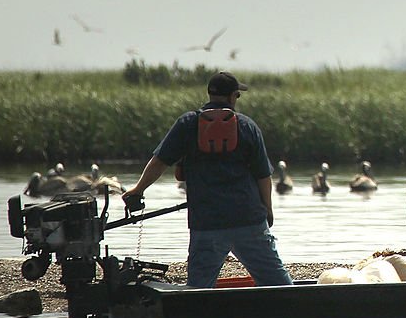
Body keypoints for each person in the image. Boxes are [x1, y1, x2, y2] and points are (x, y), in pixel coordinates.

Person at [122, 71, 293, 288]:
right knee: (280, 286)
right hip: (248, 219)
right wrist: (267, 210)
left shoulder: (187, 124)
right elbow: (263, 176)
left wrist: (138, 189)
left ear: (210, 94)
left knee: (199, 290)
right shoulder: (247, 126)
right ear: (233, 97)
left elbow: (159, 162)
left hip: (206, 223)